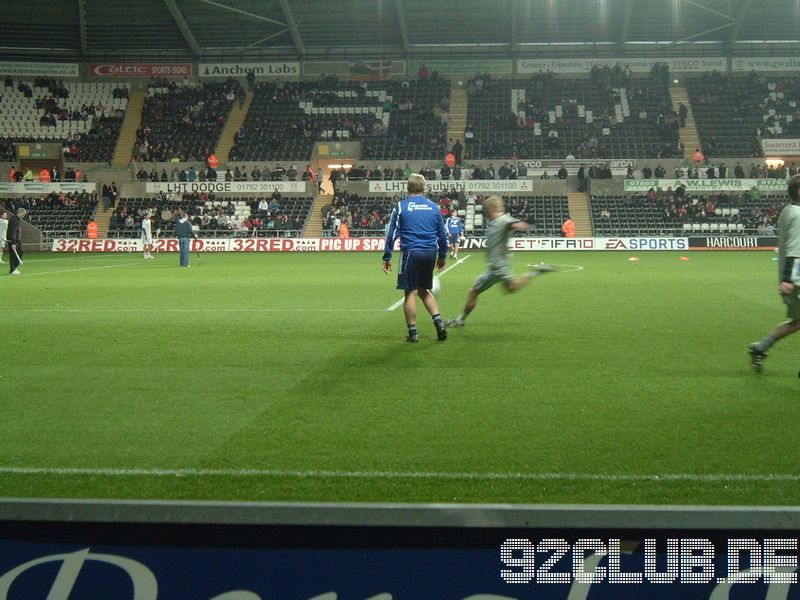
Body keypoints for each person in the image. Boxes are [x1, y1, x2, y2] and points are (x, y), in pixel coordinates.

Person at [446, 196, 552, 328]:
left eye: (487, 210)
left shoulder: (504, 220)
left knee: (473, 291)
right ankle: (536, 272)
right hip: (501, 265)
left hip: (496, 268)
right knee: (510, 288)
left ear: (491, 209)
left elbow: (513, 224)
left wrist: (525, 224)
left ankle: (460, 320)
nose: (486, 214)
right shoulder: (497, 220)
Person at [381, 173, 448, 343]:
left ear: (408, 188)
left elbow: (391, 233)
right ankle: (439, 322)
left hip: (411, 252)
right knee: (424, 290)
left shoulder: (401, 206)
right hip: (430, 252)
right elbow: (442, 235)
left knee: (410, 292)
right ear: (424, 188)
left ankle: (413, 333)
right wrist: (442, 257)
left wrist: (387, 257)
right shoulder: (433, 207)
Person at [749, 176, 800, 372]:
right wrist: (788, 280)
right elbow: (795, 249)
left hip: (792, 278)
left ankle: (760, 347)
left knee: (797, 321)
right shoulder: (797, 215)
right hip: (796, 279)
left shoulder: (788, 211)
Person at [7, 207, 26, 275]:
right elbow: (11, 232)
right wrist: (13, 242)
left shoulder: (17, 220)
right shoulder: (14, 220)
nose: (23, 216)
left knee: (20, 253)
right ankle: (12, 269)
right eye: (23, 214)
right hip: (13, 241)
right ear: (19, 213)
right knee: (13, 255)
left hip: (17, 240)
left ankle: (15, 267)